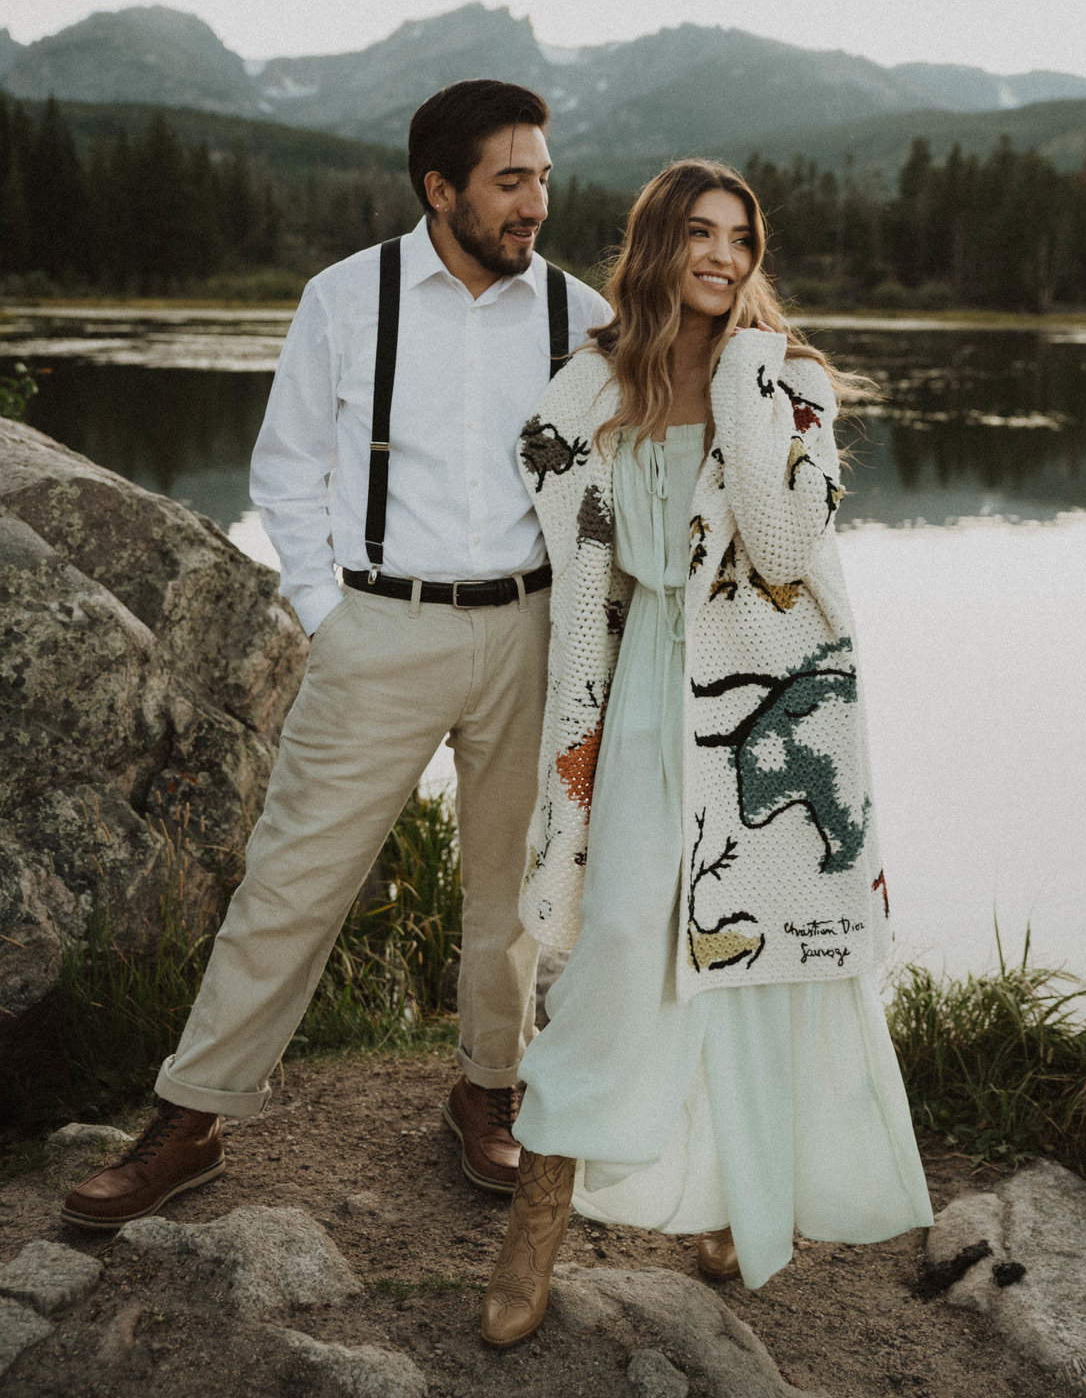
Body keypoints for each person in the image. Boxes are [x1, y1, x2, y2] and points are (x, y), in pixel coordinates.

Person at [62, 79, 611, 1229]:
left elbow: (618, 483)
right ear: (441, 188)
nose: (535, 203)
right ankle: (194, 1114)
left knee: (514, 895)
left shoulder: (581, 316)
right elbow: (286, 466)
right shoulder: (347, 298)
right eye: (511, 181)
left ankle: (489, 1090)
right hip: (381, 632)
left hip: (533, 632)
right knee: (292, 880)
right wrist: (328, 613)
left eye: (544, 179)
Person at [479, 159, 933, 1345]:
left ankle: (736, 1200)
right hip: (641, 691)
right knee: (620, 943)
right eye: (700, 233)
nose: (725, 256)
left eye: (742, 237)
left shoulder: (791, 379)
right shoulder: (594, 385)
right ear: (657, 247)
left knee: (757, 958)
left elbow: (781, 544)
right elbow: (578, 546)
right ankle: (536, 1222)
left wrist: (741, 378)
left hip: (760, 703)